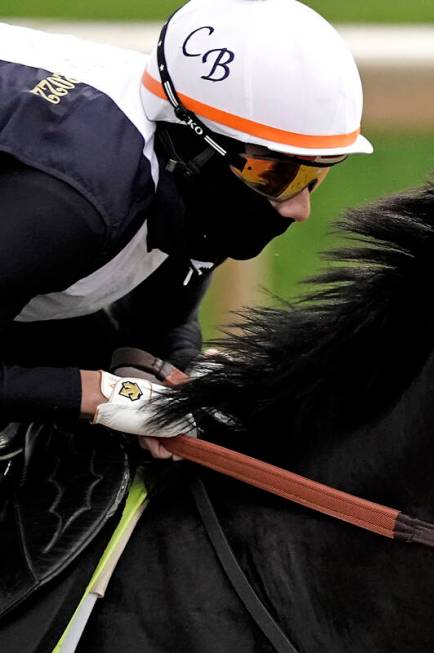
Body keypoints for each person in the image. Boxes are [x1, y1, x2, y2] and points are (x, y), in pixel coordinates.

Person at [0, 0, 372, 462]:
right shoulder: (77, 208)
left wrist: (153, 370)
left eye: (317, 176)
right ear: (197, 145)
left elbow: (162, 321)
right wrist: (99, 394)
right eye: (278, 175)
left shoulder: (187, 175)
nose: (300, 208)